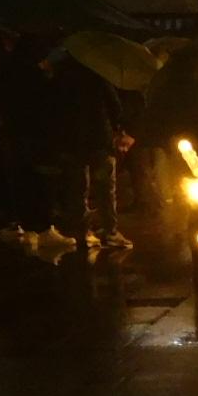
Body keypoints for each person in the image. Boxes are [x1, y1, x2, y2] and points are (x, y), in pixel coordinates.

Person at [44, 53, 131, 250]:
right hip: (99, 138)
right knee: (105, 189)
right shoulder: (98, 73)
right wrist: (120, 128)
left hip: (72, 140)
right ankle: (110, 232)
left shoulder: (59, 76)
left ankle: (82, 232)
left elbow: (53, 109)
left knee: (77, 188)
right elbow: (114, 105)